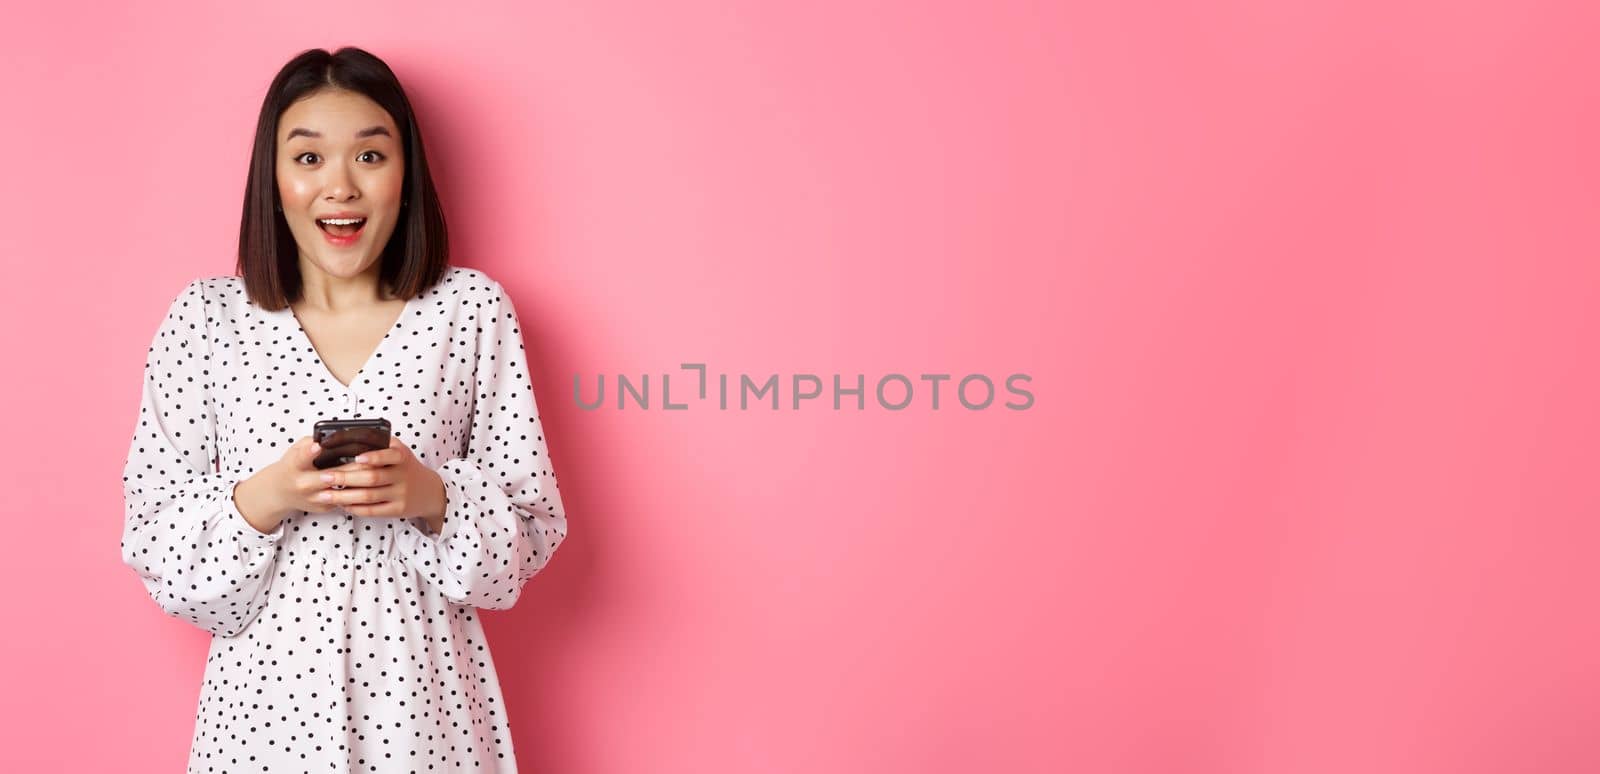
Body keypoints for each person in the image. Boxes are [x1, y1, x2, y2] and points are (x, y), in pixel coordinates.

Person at [119, 46, 569, 772]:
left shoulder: (468, 312)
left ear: (406, 174)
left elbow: (529, 538)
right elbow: (158, 551)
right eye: (307, 159)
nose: (340, 187)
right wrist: (268, 495)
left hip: (425, 719)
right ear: (273, 179)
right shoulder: (206, 321)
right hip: (260, 726)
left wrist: (432, 496)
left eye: (369, 156)